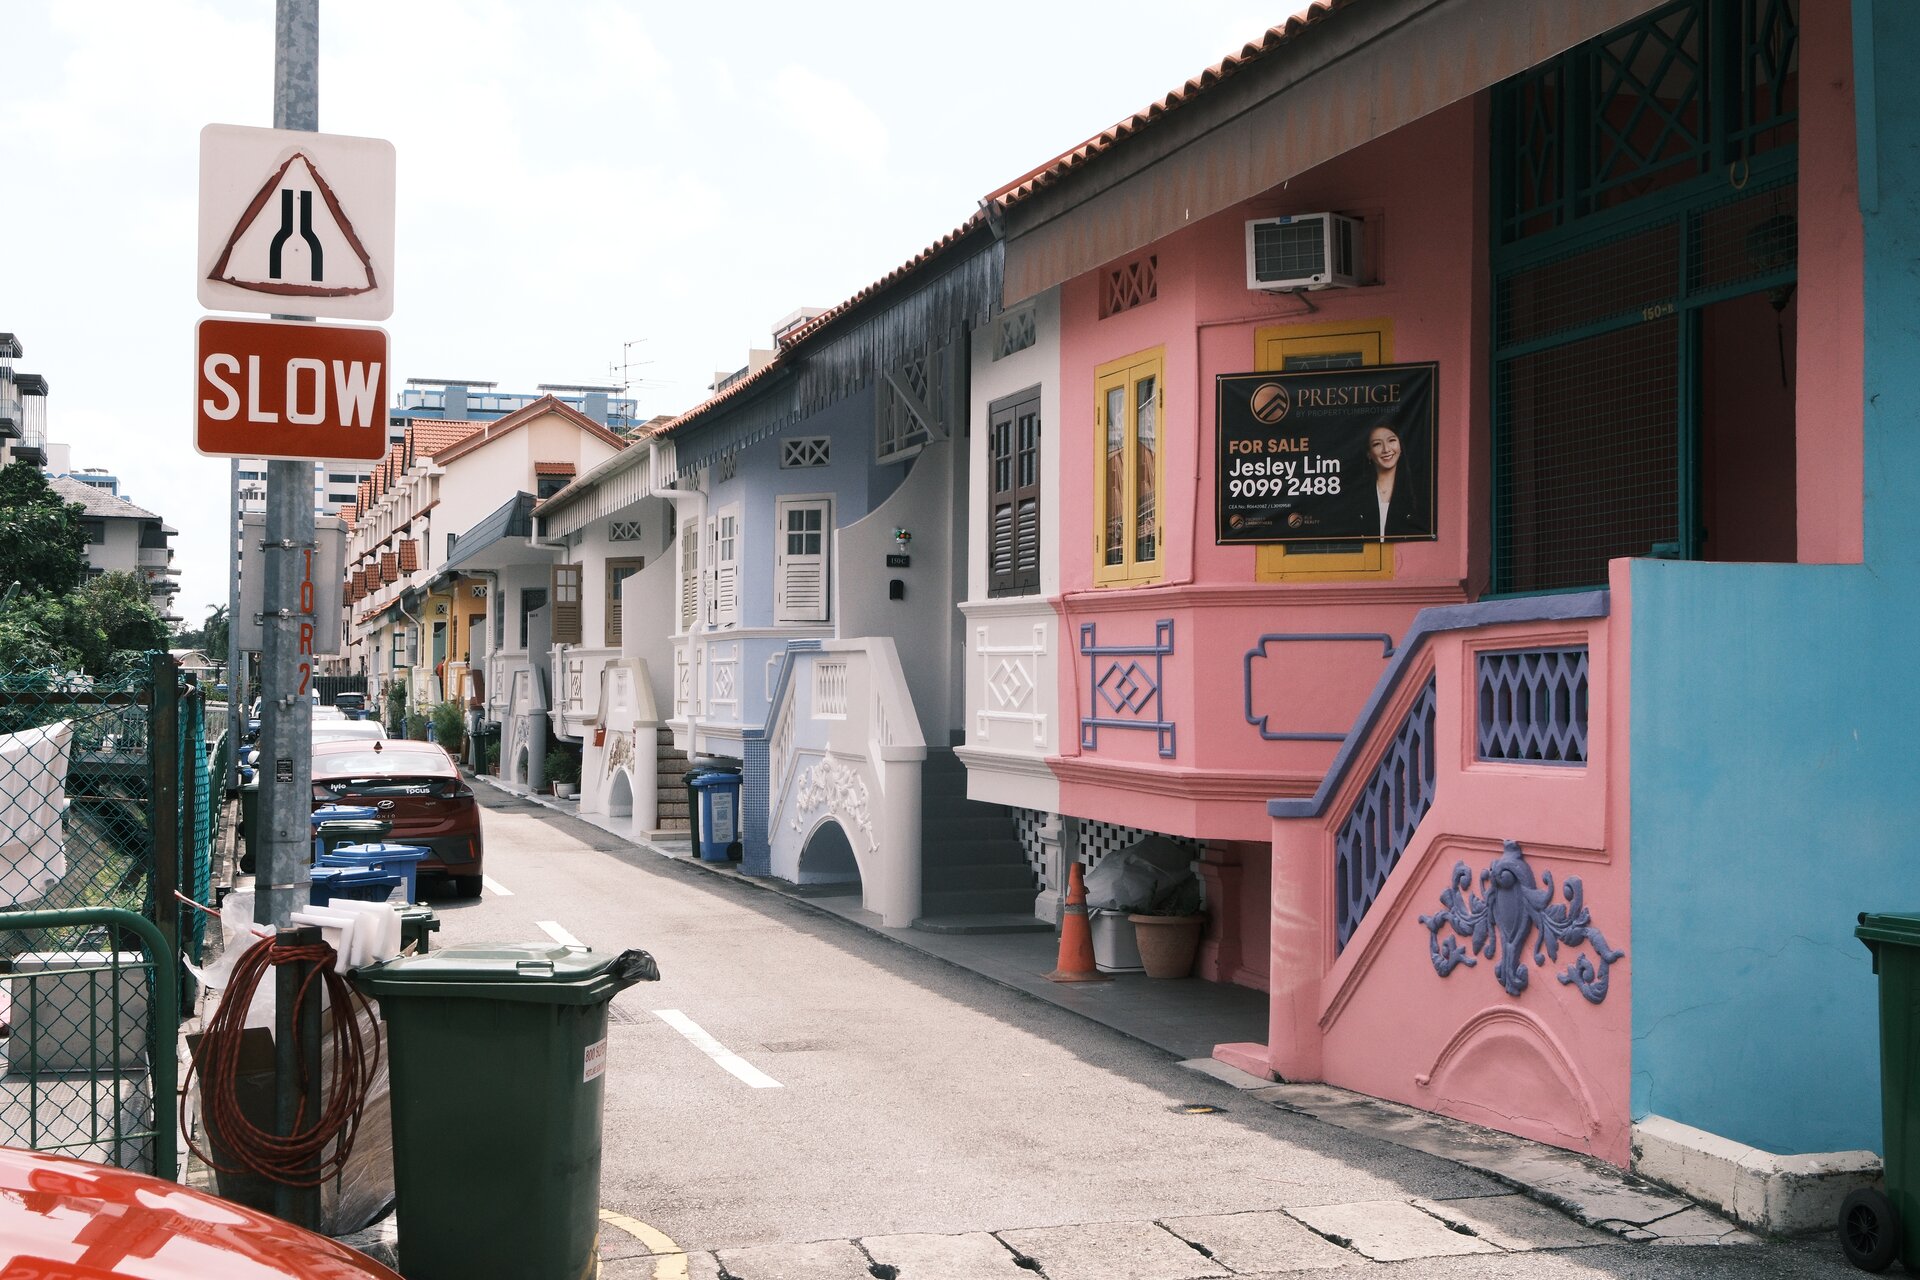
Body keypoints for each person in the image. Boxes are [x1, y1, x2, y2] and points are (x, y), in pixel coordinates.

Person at [1360, 423, 1428, 540]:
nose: (1386, 449)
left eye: (1391, 440)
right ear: (1369, 453)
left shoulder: (1419, 490)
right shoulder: (1358, 494)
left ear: (1400, 446)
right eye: (1377, 444)